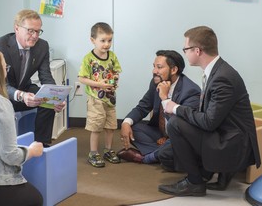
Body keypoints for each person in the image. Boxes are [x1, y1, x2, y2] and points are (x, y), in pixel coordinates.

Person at [158, 26, 261, 197]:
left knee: (175, 124)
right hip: (226, 135)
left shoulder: (223, 77)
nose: (185, 53)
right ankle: (208, 172)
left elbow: (208, 122)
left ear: (197, 51)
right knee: (168, 153)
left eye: (186, 49)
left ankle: (195, 182)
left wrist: (175, 107)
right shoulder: (217, 70)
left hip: (233, 145)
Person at [0, 9, 65, 147]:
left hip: (25, 88)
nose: (35, 36)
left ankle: (41, 144)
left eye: (38, 31)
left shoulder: (42, 46)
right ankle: (9, 147)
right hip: (2, 94)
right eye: (30, 31)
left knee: (46, 100)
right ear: (17, 28)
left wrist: (55, 97)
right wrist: (21, 95)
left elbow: (46, 76)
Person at [0, 48, 43, 206]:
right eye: (5, 67)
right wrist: (31, 151)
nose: (6, 71)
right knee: (36, 199)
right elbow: (10, 156)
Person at [118, 50, 200, 168]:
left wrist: (165, 98)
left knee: (180, 144)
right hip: (161, 134)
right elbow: (143, 107)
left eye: (159, 67)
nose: (154, 71)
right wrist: (126, 123)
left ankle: (148, 157)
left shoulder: (191, 91)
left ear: (174, 70)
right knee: (133, 128)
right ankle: (164, 154)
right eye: (154, 66)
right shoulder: (156, 82)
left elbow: (181, 125)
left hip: (180, 136)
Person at [78, 22, 122, 168]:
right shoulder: (88, 59)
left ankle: (108, 150)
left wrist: (115, 80)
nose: (107, 44)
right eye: (102, 40)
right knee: (96, 126)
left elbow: (116, 72)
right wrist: (99, 84)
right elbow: (81, 78)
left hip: (110, 98)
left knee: (110, 126)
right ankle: (93, 153)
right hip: (96, 99)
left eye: (109, 40)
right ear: (93, 40)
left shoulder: (112, 56)